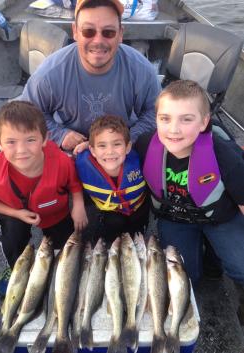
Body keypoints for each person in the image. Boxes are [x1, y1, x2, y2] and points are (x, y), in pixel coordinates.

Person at [135, 80, 244, 293]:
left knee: (241, 267)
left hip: (218, 218)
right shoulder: (145, 145)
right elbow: (114, 157)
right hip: (175, 219)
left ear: (204, 123)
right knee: (184, 277)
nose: (174, 129)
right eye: (165, 118)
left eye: (186, 119)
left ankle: (215, 260)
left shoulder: (224, 155)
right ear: (155, 118)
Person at [20, 0, 161, 154]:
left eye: (108, 32)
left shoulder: (141, 69)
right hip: (71, 150)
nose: (98, 41)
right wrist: (60, 135)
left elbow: (156, 112)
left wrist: (128, 139)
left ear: (120, 34)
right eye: (88, 31)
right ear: (75, 31)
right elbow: (27, 114)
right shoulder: (49, 74)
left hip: (121, 148)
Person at [0, 101, 88, 296]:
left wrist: (78, 204)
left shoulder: (62, 162)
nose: (21, 150)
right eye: (11, 142)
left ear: (45, 139)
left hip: (55, 213)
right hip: (14, 213)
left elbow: (74, 184)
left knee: (67, 251)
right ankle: (14, 269)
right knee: (12, 243)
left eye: (30, 140)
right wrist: (16, 213)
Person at [75, 114, 149, 245]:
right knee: (110, 233)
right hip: (108, 212)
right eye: (102, 146)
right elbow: (70, 181)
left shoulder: (142, 158)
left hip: (138, 209)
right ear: (92, 150)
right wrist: (78, 205)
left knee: (137, 236)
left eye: (116, 144)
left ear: (127, 148)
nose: (110, 151)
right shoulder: (82, 164)